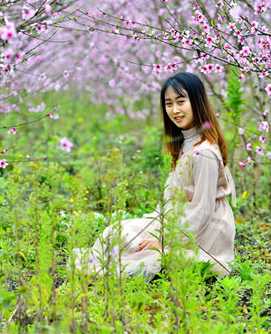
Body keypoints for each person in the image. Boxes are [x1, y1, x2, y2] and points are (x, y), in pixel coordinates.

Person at [73, 72, 236, 279]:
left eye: (181, 102)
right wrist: (157, 227)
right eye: (168, 104)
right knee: (116, 234)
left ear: (197, 101)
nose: (175, 110)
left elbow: (203, 209)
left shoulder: (204, 152)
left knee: (137, 251)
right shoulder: (187, 142)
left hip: (203, 234)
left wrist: (164, 241)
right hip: (176, 223)